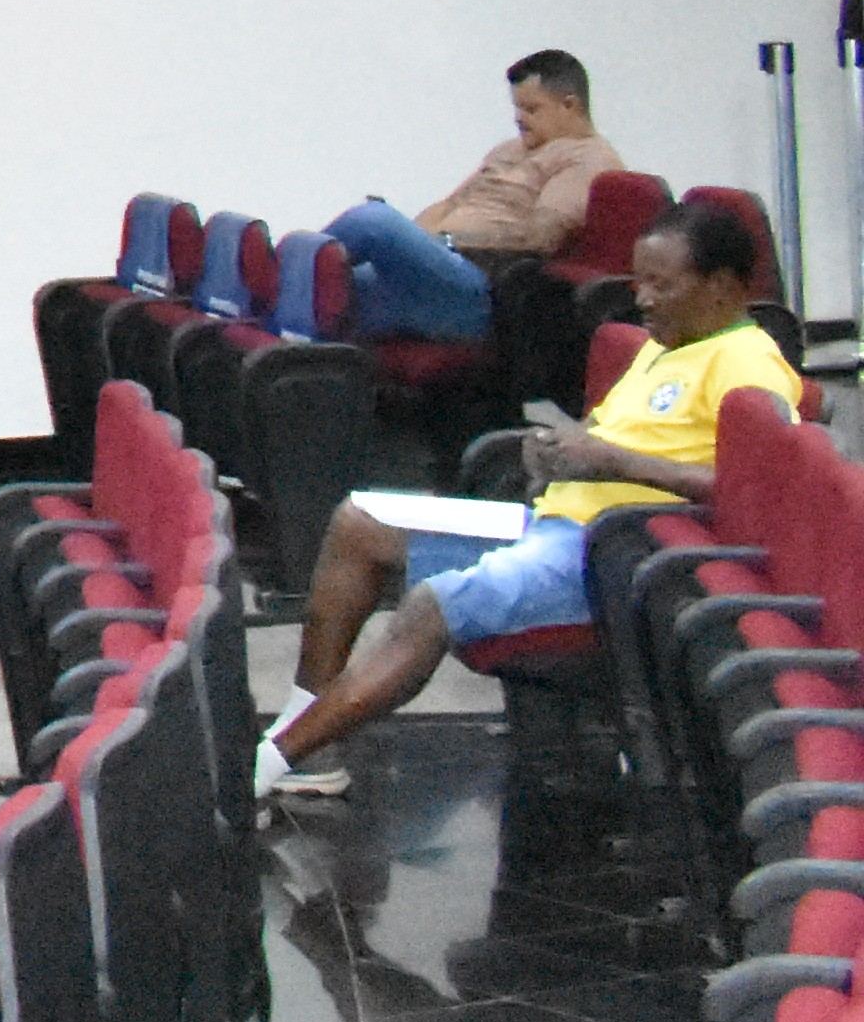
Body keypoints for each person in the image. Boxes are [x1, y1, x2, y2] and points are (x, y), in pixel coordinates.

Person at [262, 198, 789, 795]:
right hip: (550, 519)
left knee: (432, 603)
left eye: (661, 285)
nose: (643, 299)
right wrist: (558, 448)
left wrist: (609, 460)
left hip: (609, 552)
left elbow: (758, 492)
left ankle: (271, 763)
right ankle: (306, 739)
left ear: (721, 286)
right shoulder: (666, 344)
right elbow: (612, 434)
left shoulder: (750, 365)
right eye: (640, 282)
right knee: (361, 519)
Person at [317, 50, 625, 346]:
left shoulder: (588, 159)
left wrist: (447, 241)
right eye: (516, 108)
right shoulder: (509, 150)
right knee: (324, 293)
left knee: (373, 220)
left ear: (569, 105)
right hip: (437, 273)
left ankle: (289, 266)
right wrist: (414, 242)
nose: (518, 119)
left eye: (531, 109)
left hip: (479, 288)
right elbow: (448, 205)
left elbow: (538, 239)